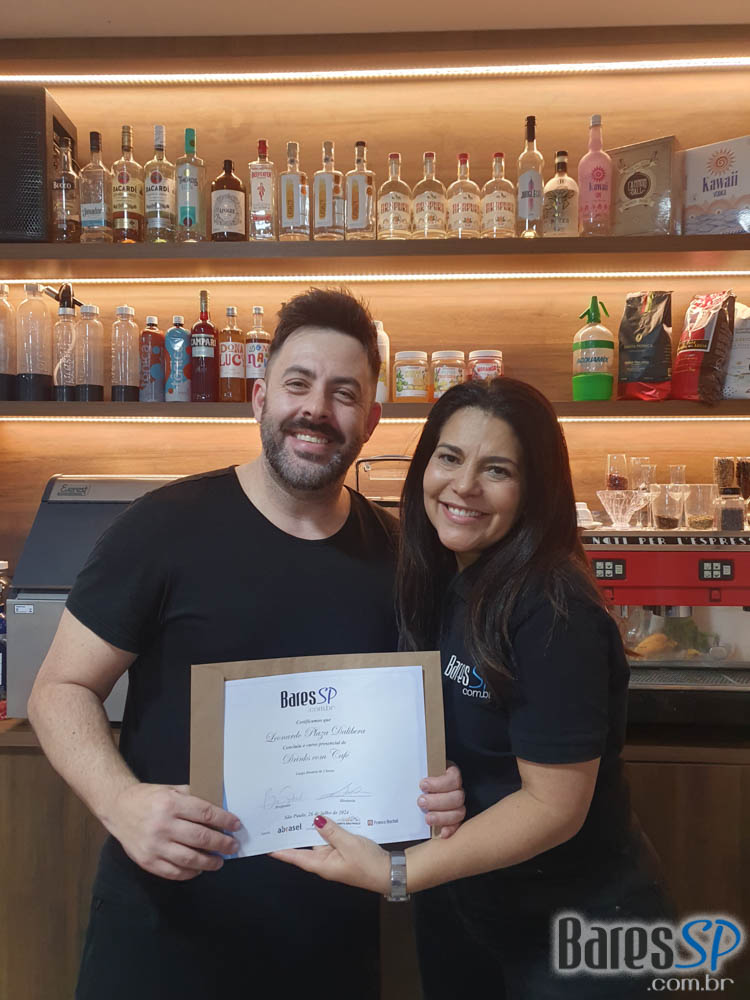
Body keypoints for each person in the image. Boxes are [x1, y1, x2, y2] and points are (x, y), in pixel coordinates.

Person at [27, 288, 465, 1000]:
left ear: (371, 421)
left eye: (344, 393)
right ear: (259, 398)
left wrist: (434, 787)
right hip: (166, 935)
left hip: (331, 944)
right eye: (298, 383)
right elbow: (59, 689)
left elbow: (417, 722)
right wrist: (121, 803)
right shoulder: (161, 528)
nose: (316, 409)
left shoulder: (402, 556)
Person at [274, 376, 674, 999]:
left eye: (497, 470)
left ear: (535, 490)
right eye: (450, 457)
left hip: (576, 929)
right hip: (470, 906)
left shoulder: (552, 607)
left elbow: (553, 806)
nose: (463, 486)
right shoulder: (441, 575)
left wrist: (398, 870)